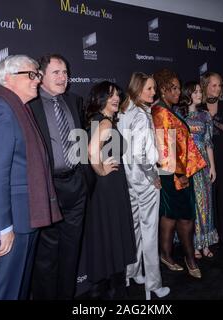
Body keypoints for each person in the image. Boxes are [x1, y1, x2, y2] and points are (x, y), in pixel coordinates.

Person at [0, 55, 62, 300]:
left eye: (38, 75)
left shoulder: (18, 109)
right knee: (4, 294)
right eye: (31, 75)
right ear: (9, 79)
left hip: (25, 218)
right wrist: (4, 227)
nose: (37, 80)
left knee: (18, 291)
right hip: (9, 224)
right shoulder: (0, 111)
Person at [30, 53, 88, 300]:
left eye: (65, 72)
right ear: (41, 76)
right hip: (48, 189)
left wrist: (86, 179)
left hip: (76, 185)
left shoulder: (75, 101)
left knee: (71, 253)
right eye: (57, 72)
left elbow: (81, 141)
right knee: (46, 257)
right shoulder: (30, 106)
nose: (63, 78)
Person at [118, 72, 170, 300]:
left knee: (136, 229)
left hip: (128, 179)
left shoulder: (124, 111)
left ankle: (132, 273)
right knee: (149, 233)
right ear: (138, 89)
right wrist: (153, 176)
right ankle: (153, 285)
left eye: (154, 89)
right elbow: (140, 154)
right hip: (143, 180)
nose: (153, 92)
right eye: (149, 89)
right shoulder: (140, 115)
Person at [84, 81, 136, 300]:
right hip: (109, 185)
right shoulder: (104, 122)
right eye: (110, 95)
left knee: (107, 234)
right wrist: (102, 170)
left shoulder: (96, 120)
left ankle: (107, 288)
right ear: (100, 98)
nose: (116, 98)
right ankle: (116, 291)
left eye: (117, 94)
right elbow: (91, 151)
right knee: (114, 233)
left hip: (104, 187)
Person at [152, 69, 206, 279]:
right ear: (163, 89)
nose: (177, 91)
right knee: (179, 216)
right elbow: (165, 147)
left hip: (179, 170)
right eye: (172, 88)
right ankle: (182, 257)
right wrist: (179, 174)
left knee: (176, 216)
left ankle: (174, 255)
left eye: (177, 87)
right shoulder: (160, 111)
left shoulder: (169, 109)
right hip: (173, 173)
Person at [182, 81, 218, 258]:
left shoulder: (205, 116)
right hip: (188, 165)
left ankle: (205, 244)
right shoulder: (178, 115)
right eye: (195, 91)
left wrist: (213, 167)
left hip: (203, 165)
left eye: (199, 91)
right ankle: (194, 245)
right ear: (187, 94)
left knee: (205, 203)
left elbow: (209, 143)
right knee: (193, 204)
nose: (198, 94)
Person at [201, 72, 223, 248]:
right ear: (205, 86)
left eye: (219, 85)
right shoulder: (198, 106)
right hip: (205, 158)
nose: (217, 89)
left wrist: (212, 122)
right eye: (213, 85)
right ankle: (210, 237)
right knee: (208, 198)